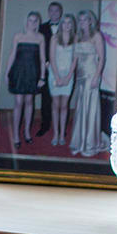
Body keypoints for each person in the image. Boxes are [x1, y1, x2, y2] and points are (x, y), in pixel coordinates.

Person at [4, 11, 46, 149]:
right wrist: (6, 73)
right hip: (19, 72)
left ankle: (27, 132)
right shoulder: (18, 36)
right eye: (30, 20)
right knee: (18, 103)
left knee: (29, 102)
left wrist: (42, 77)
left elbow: (42, 59)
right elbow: (12, 55)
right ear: (26, 22)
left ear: (37, 23)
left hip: (33, 73)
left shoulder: (40, 37)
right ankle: (16, 134)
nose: (32, 23)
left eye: (35, 21)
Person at [70, 9, 109, 157]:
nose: (82, 22)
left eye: (84, 19)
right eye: (80, 20)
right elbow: (75, 59)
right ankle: (79, 141)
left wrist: (96, 77)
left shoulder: (96, 36)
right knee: (80, 108)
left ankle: (89, 143)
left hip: (92, 75)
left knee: (90, 108)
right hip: (80, 76)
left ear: (90, 21)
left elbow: (101, 58)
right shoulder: (78, 37)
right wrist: (70, 75)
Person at [48, 13, 78, 147]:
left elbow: (75, 60)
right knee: (55, 105)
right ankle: (55, 134)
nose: (67, 25)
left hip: (68, 75)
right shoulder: (54, 38)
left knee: (64, 105)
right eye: (64, 23)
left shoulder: (76, 38)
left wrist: (68, 77)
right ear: (61, 25)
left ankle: (62, 135)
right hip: (55, 73)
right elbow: (52, 58)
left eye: (69, 23)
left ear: (72, 25)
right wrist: (58, 77)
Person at [36, 1, 64, 137]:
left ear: (61, 12)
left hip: (62, 69)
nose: (54, 13)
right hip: (46, 69)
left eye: (56, 11)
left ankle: (60, 128)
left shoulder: (67, 28)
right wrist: (45, 62)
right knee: (46, 99)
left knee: (61, 99)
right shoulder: (41, 28)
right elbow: (38, 48)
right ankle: (45, 125)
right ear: (48, 12)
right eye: (51, 11)